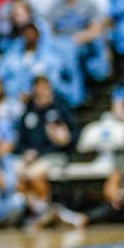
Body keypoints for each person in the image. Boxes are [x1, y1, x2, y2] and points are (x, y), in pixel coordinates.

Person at [15, 77, 79, 227]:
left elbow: (73, 135)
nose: (44, 92)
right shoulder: (29, 113)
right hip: (32, 158)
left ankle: (45, 213)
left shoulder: (60, 110)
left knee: (34, 174)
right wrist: (26, 152)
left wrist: (65, 139)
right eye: (40, 88)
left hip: (54, 155)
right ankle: (41, 211)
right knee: (17, 174)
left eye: (46, 88)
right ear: (34, 91)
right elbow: (19, 142)